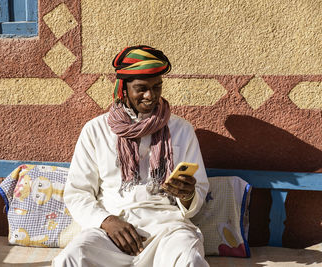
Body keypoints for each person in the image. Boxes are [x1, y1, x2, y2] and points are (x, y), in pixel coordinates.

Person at [52, 45, 210, 267]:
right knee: (71, 259)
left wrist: (187, 195)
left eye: (157, 87)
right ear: (123, 89)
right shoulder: (95, 130)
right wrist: (106, 221)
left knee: (189, 259)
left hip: (168, 229)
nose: (151, 96)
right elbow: (78, 193)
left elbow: (199, 192)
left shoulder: (182, 130)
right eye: (141, 88)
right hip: (113, 230)